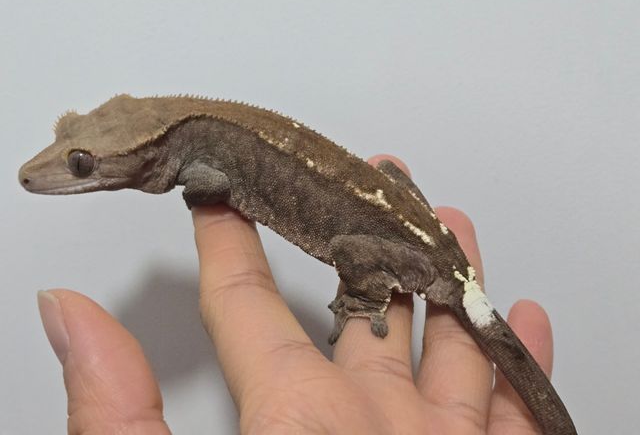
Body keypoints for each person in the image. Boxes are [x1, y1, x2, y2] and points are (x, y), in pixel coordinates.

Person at [37, 156, 554, 434]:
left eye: (83, 164)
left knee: (350, 249)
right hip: (432, 248)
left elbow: (209, 185)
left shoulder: (199, 156)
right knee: (388, 174)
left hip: (426, 263)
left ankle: (370, 296)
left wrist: (366, 296)